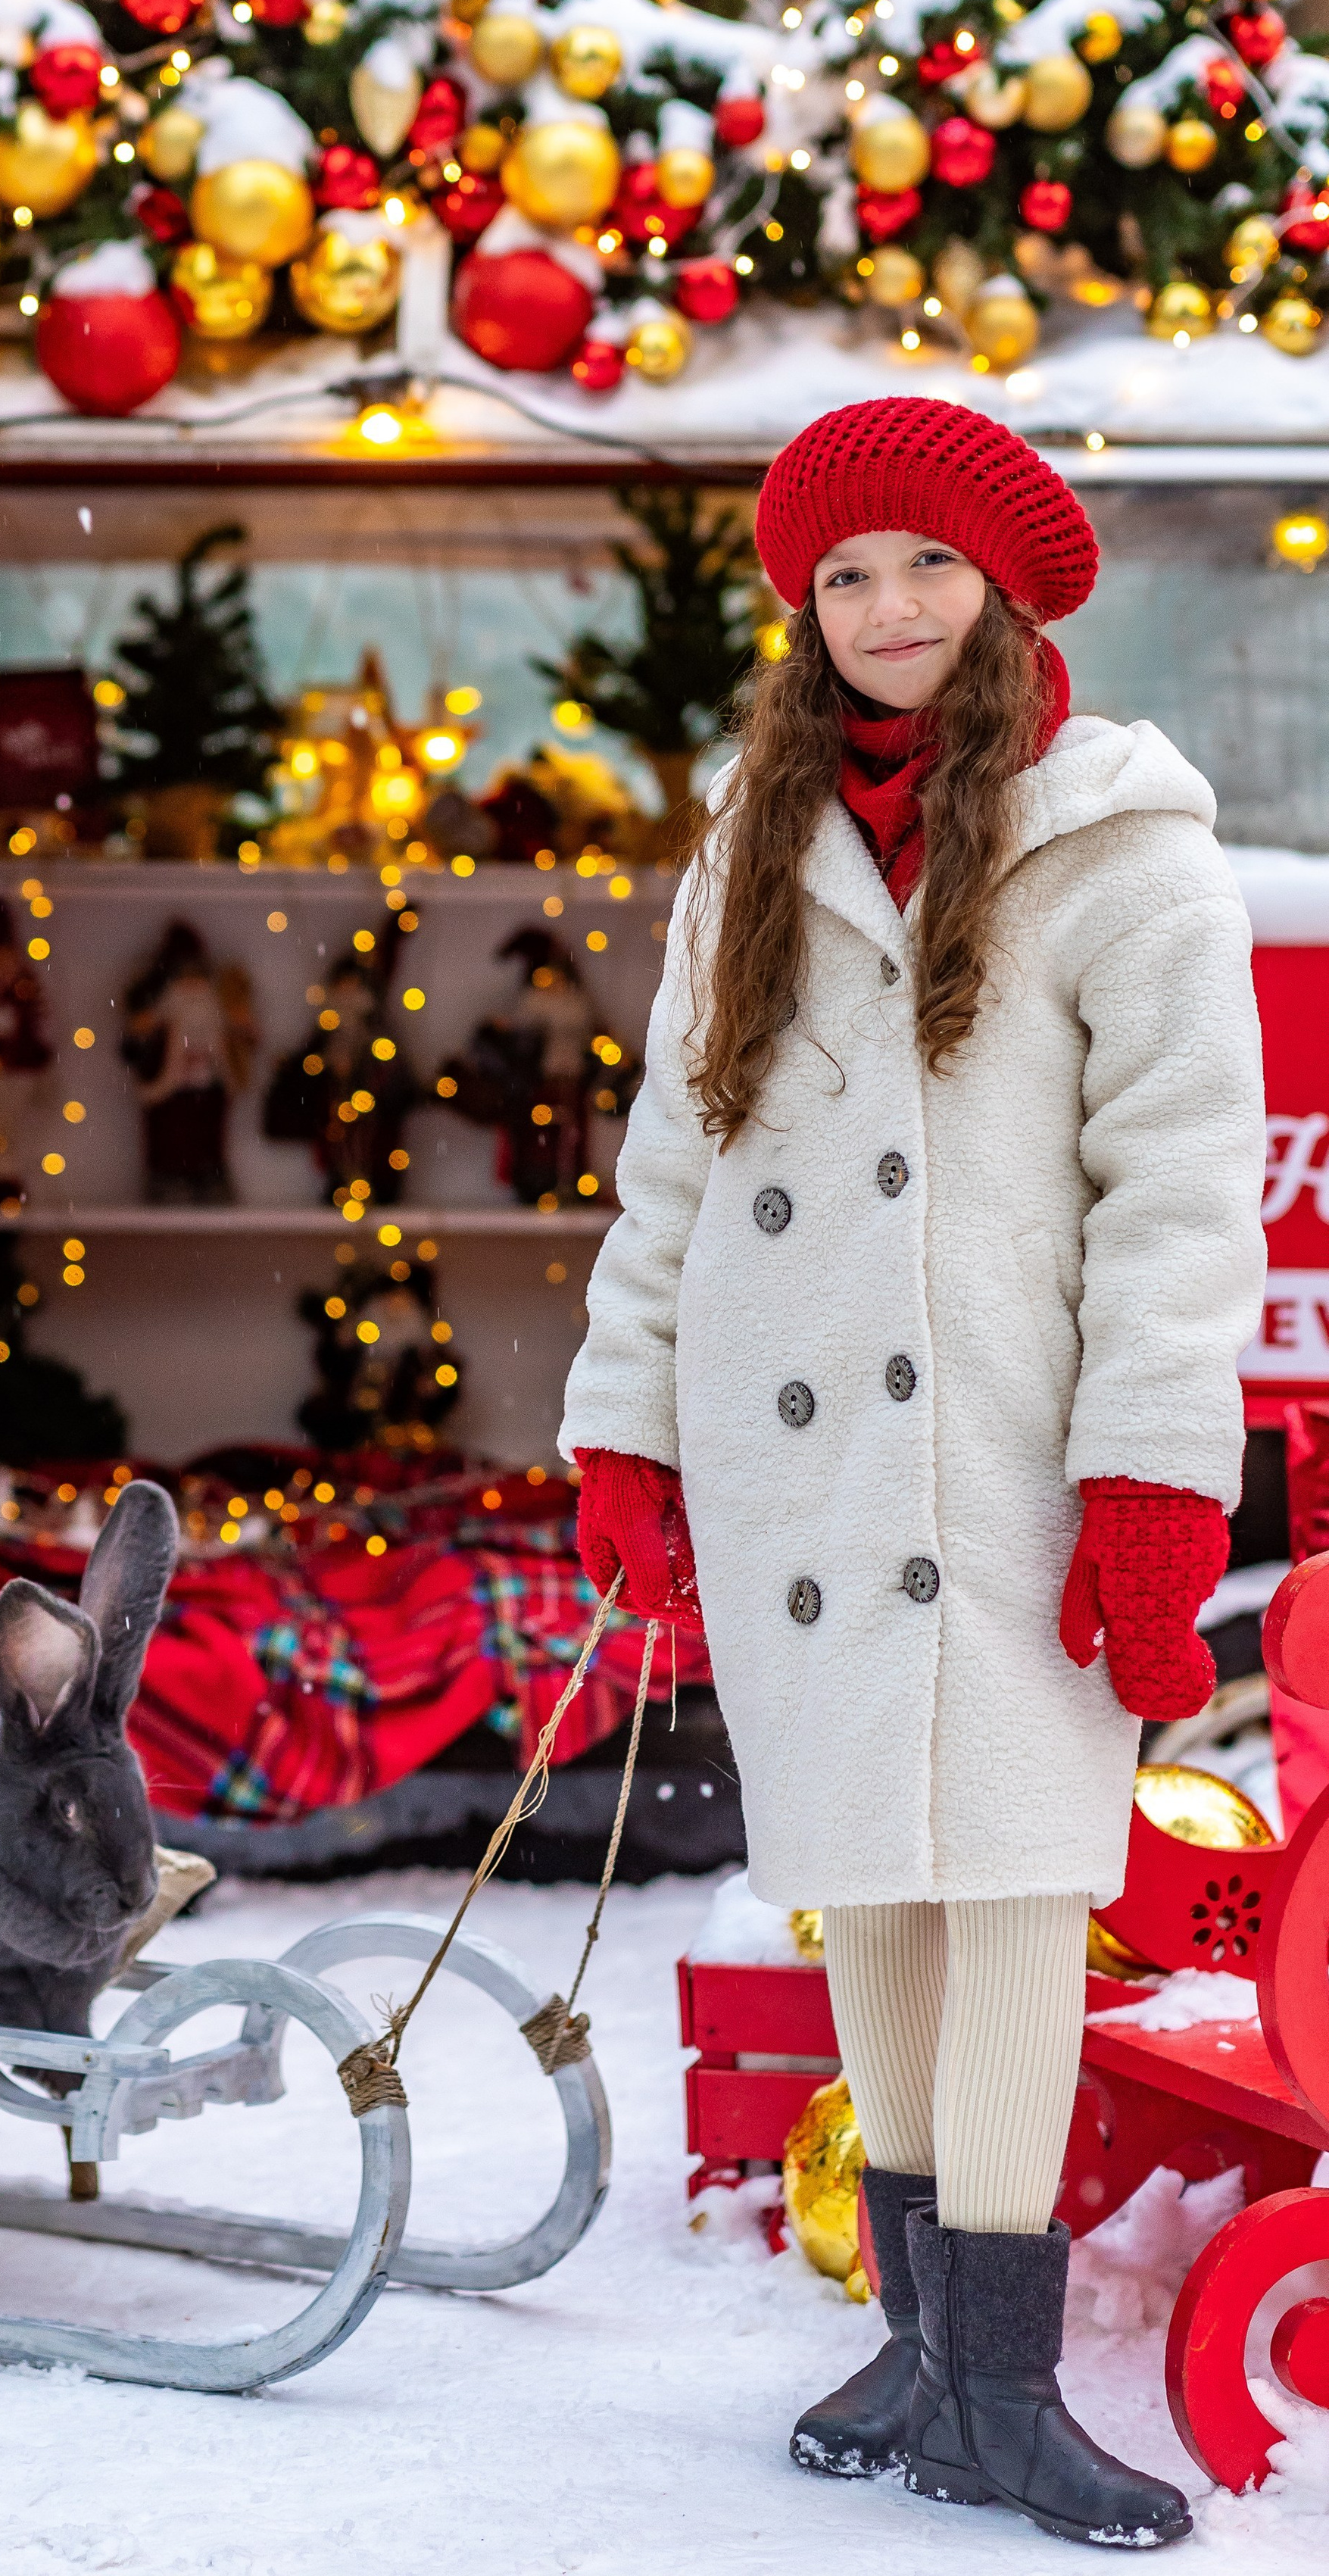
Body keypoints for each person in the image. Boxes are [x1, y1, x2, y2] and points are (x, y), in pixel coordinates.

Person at [561, 398, 1265, 2549]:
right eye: (845, 576)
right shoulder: (750, 845)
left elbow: (1177, 1196)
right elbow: (676, 1160)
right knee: (868, 1876)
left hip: (1007, 1468)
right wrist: (626, 1423)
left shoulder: (1121, 846)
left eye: (927, 569)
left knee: (1019, 1900)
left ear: (1013, 589)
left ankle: (1008, 2381)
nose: (884, 610)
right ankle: (932, 2359)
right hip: (797, 1471)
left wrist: (1156, 1480)